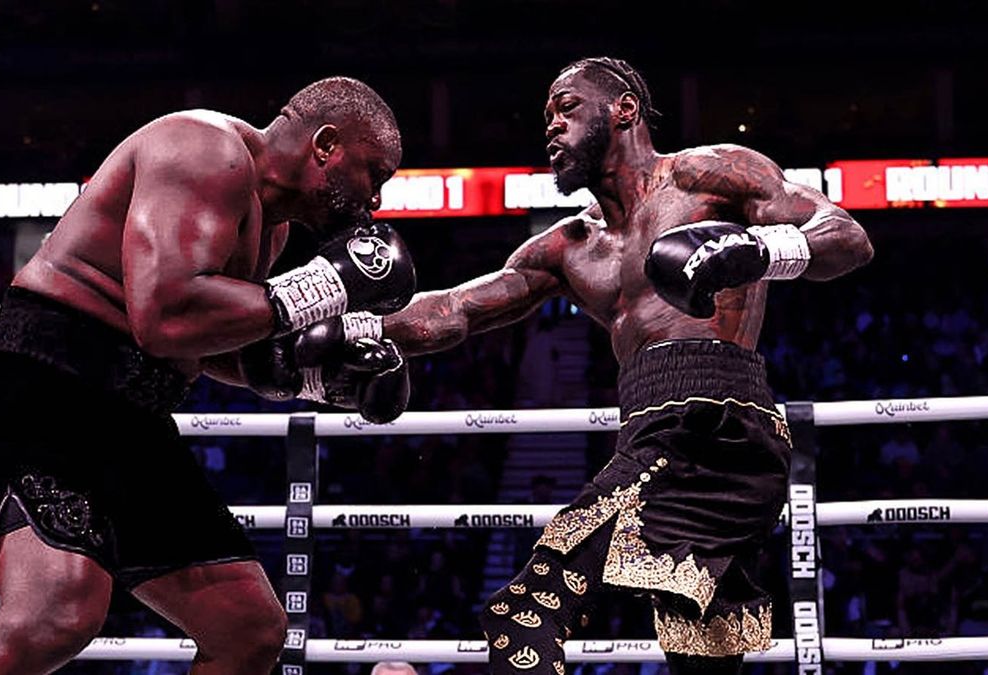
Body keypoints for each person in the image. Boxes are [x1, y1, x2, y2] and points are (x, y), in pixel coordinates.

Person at [307, 57, 874, 674]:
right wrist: (348, 327)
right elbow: (460, 308)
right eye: (547, 114)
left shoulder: (705, 174)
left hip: (716, 421)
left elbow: (846, 236)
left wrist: (757, 249)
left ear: (623, 108)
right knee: (704, 660)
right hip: (649, 428)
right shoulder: (571, 246)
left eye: (567, 107)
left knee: (525, 614)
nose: (551, 125)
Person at [0, 76, 416, 675]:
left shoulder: (272, 229)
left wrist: (303, 378)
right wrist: (327, 285)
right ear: (327, 145)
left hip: (128, 414)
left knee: (249, 630)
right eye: (374, 174)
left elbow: (205, 342)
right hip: (44, 382)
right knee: (55, 616)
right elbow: (166, 316)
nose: (374, 202)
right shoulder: (204, 149)